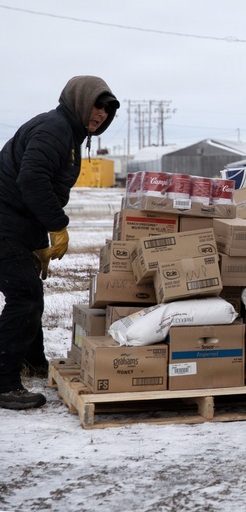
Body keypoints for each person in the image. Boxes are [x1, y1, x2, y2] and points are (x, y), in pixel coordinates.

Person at [0, 76, 119, 410]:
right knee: (25, 297)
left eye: (108, 110)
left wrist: (38, 240)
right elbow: (32, 180)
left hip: (15, 226)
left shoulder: (67, 134)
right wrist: (57, 226)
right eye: (97, 105)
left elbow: (33, 190)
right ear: (79, 101)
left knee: (28, 294)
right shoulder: (55, 129)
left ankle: (33, 361)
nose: (101, 114)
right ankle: (4, 381)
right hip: (4, 225)